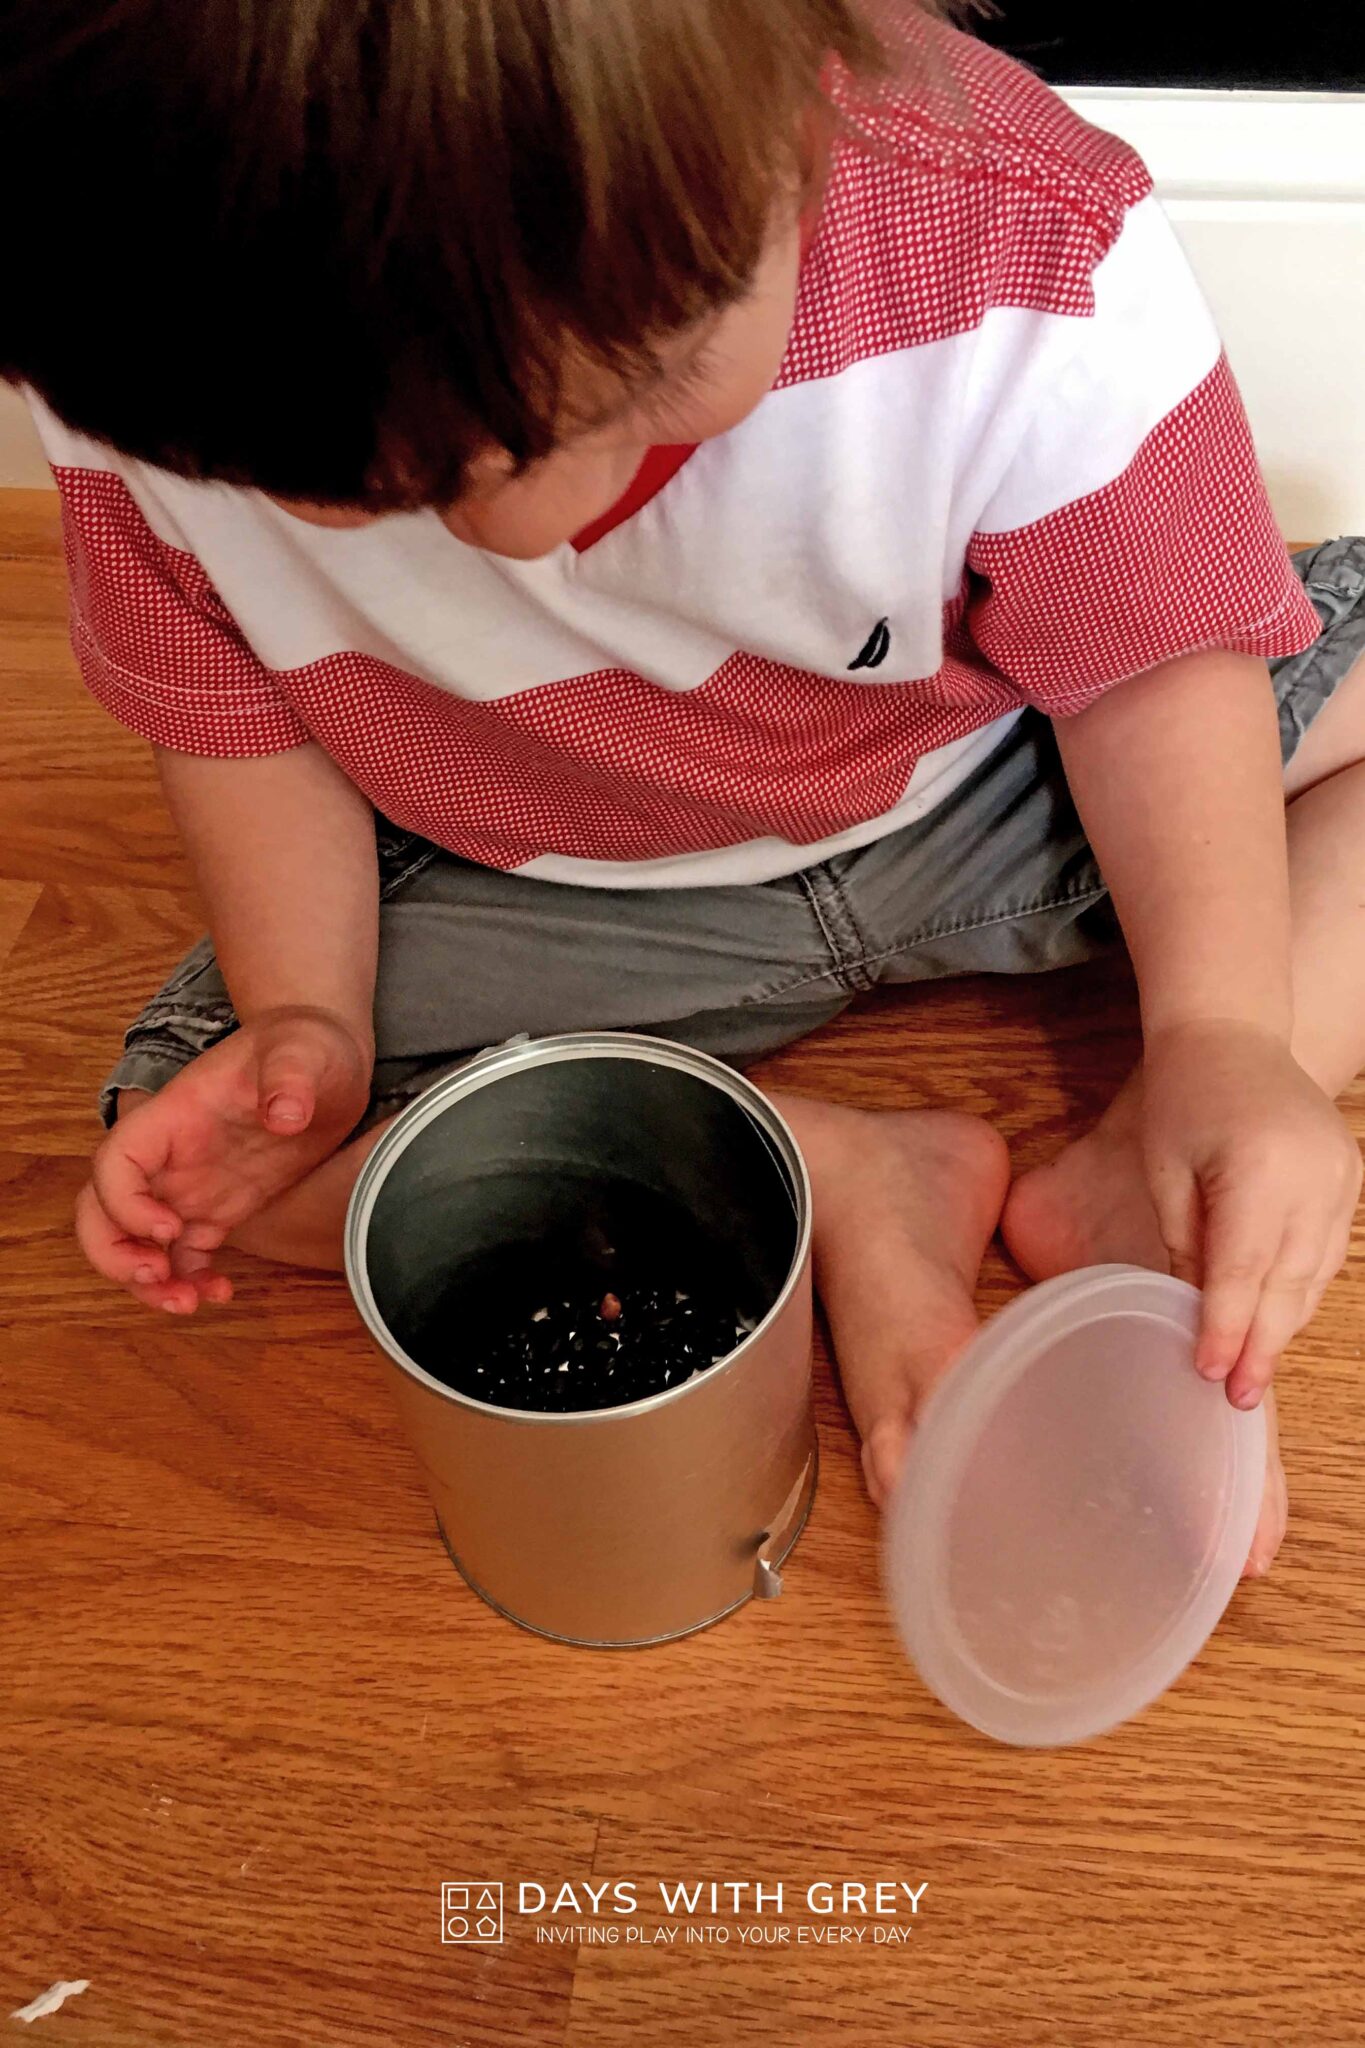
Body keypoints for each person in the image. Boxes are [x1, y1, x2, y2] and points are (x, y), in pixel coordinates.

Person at [4, 0, 1362, 1580]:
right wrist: (313, 1019)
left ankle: (1155, 1156)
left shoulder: (1012, 237)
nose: (524, 539)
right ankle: (815, 1166)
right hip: (563, 882)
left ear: (798, 125)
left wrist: (1222, 1032)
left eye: (629, 394)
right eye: (388, 493)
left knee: (1237, 934)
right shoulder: (165, 369)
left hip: (993, 786)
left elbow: (1153, 664)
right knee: (188, 1162)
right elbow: (237, 719)